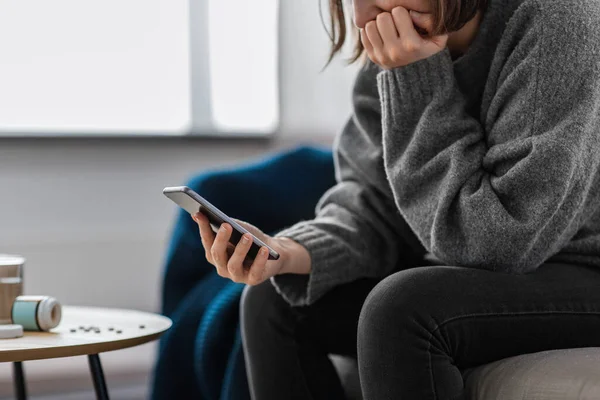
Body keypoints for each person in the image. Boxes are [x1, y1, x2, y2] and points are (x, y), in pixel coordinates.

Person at [191, 0, 600, 398]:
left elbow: (504, 241)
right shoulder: (397, 46)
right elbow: (375, 205)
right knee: (271, 300)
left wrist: (417, 79)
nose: (366, 13)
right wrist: (288, 251)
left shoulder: (558, 18)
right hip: (499, 266)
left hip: (584, 267)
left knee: (402, 308)